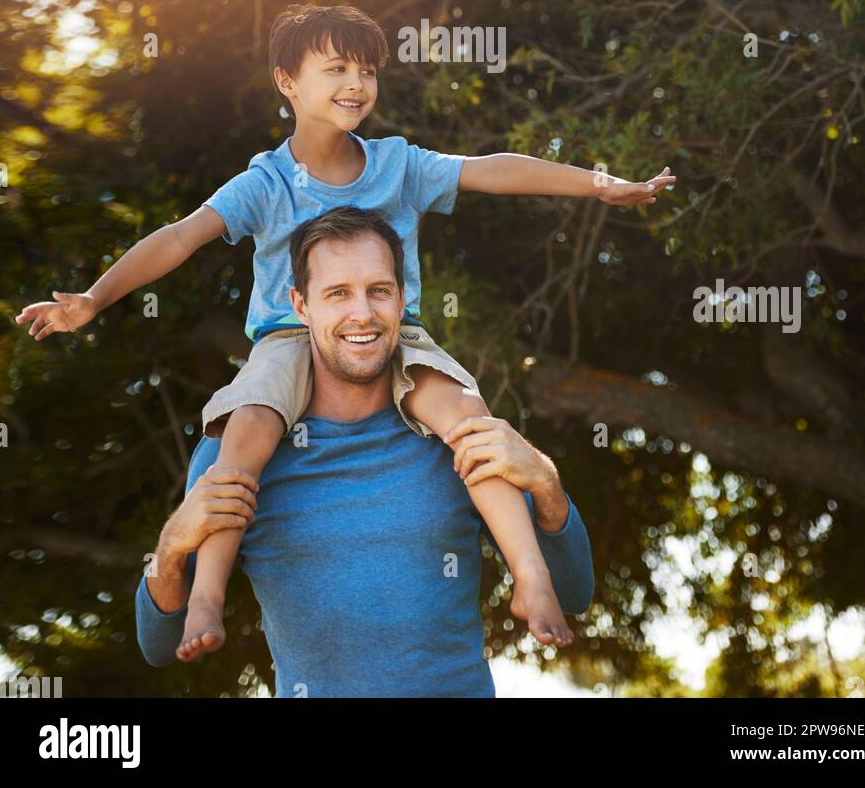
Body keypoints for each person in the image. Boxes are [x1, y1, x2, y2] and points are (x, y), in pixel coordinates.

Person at [17, 2, 674, 658]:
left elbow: (493, 169)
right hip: (285, 339)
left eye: (367, 70)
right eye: (335, 68)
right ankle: (207, 593)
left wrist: (599, 184)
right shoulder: (267, 182)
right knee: (244, 431)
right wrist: (95, 300)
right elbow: (181, 236)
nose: (356, 83)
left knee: (470, 417)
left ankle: (529, 575)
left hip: (399, 334)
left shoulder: (398, 164)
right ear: (286, 81)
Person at [135, 207, 595, 697]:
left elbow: (573, 593)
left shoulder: (457, 437)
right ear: (301, 305)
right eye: (337, 294)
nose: (363, 314)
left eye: (379, 290)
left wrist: (547, 485)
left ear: (401, 300)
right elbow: (158, 646)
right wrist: (172, 547)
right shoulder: (234, 450)